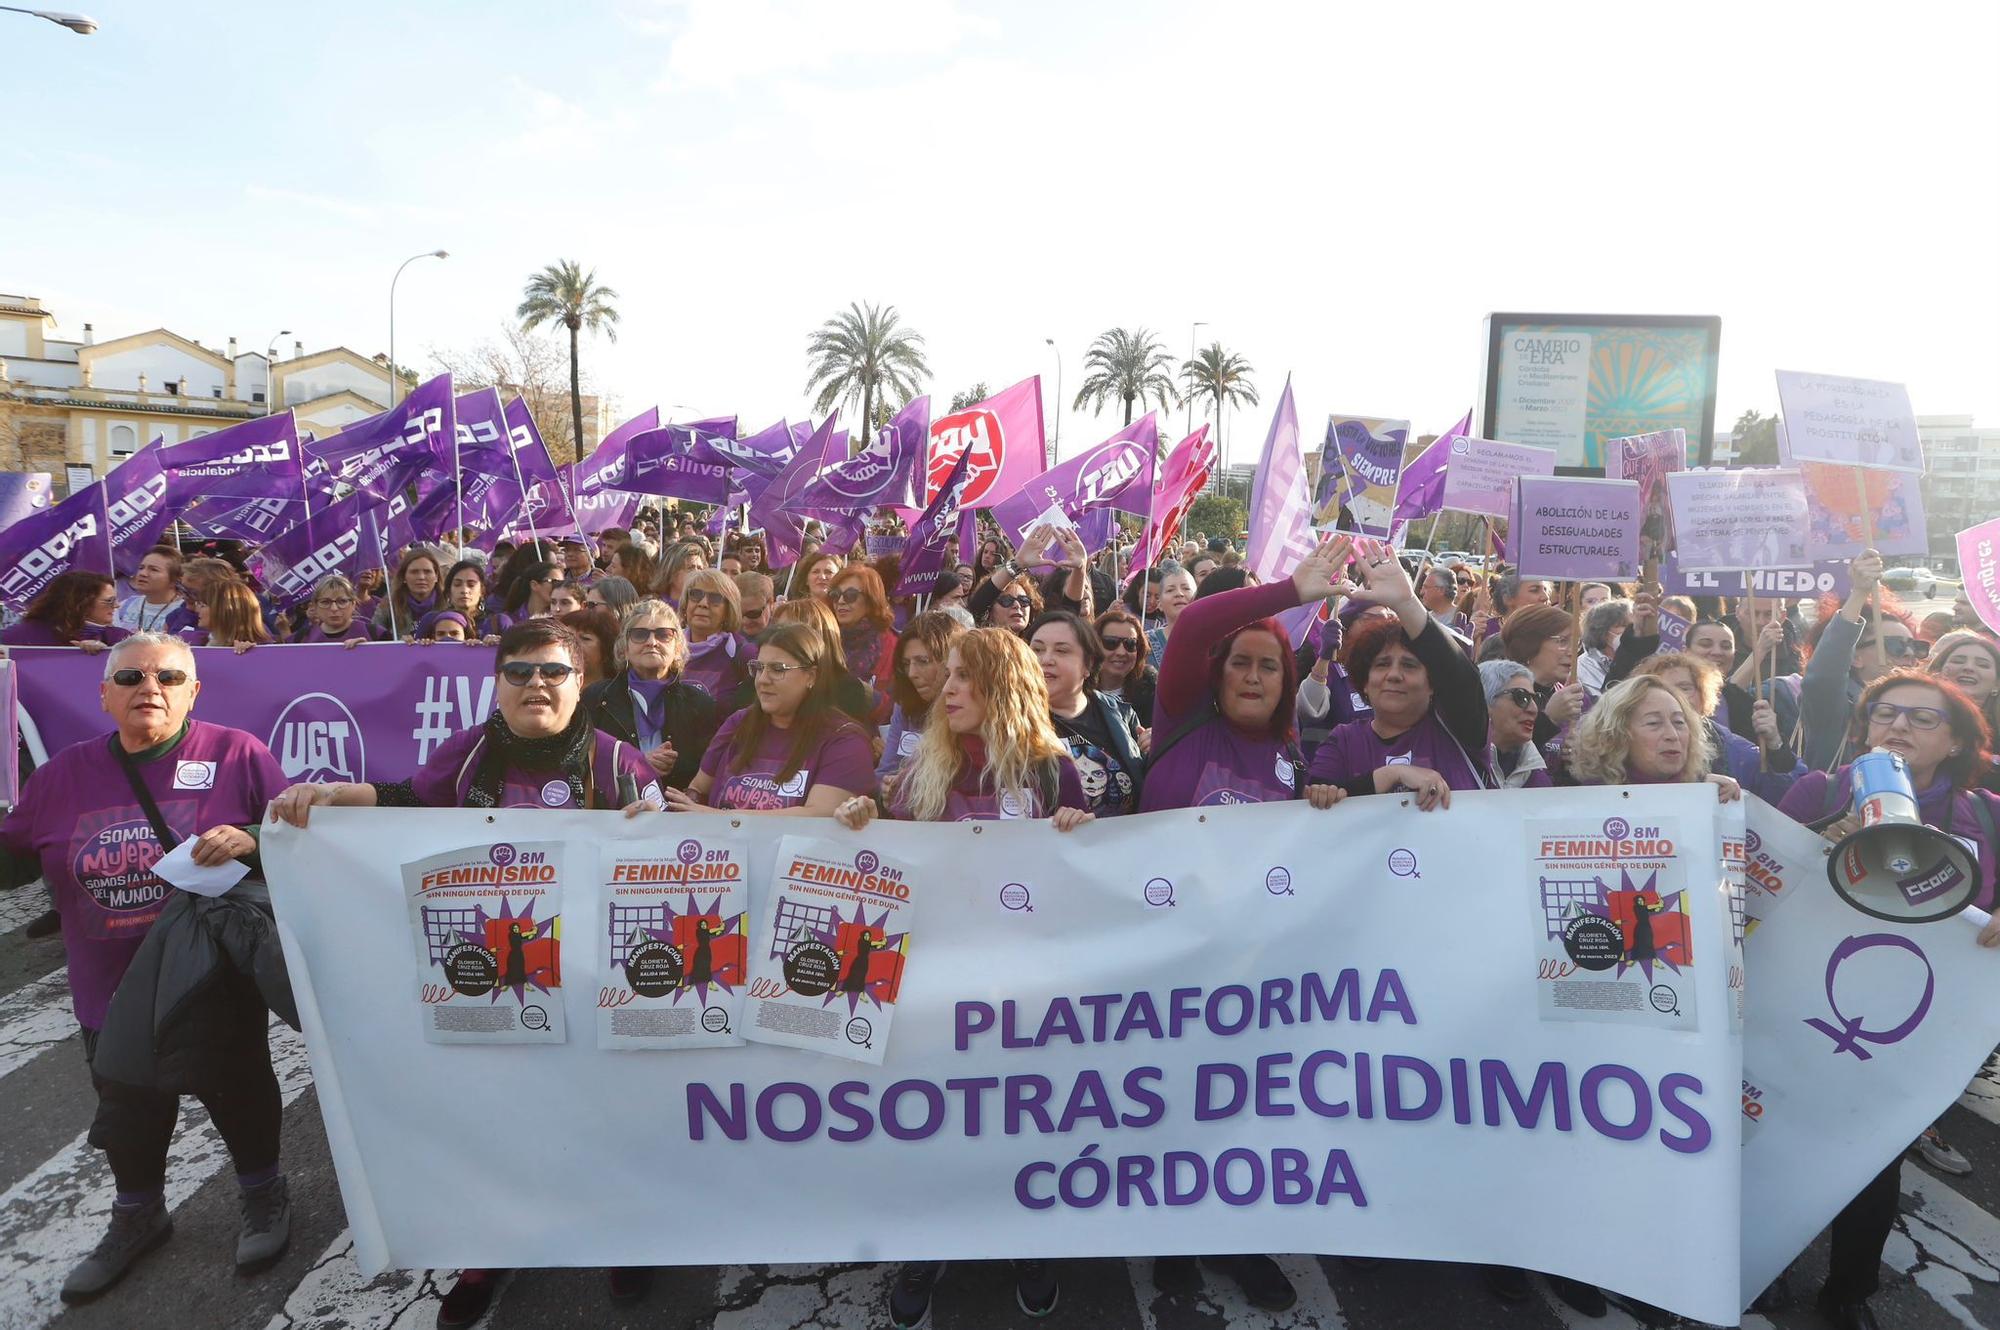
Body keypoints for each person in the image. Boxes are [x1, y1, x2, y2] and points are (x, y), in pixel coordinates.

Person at [269, 618, 662, 1327]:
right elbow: (404, 801)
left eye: (553, 671)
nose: (536, 683)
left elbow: (666, 865)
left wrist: (652, 832)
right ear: (498, 683)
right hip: (489, 978)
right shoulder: (472, 752)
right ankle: (488, 1250)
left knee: (601, 1116)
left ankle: (618, 1237)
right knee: (491, 1120)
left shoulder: (617, 763)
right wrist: (329, 799)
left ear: (581, 683)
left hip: (591, 982)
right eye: (519, 671)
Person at [1, 633, 291, 1300]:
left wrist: (252, 839)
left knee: (239, 1089)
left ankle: (263, 1192)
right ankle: (139, 1214)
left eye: (168, 677)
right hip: (110, 988)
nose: (149, 688)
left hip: (212, 980)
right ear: (105, 695)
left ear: (193, 692)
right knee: (129, 1109)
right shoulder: (61, 775)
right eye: (130, 677)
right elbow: (11, 860)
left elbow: (298, 839)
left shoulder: (236, 754)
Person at [826, 627, 1088, 1330]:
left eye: (964, 676)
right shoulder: (924, 769)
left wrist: (1081, 831)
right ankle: (928, 1244)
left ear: (1003, 686)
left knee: (1021, 1123)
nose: (947, 690)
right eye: (947, 676)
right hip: (935, 990)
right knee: (936, 1124)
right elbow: (891, 868)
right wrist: (863, 820)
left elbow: (1086, 887)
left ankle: (1025, 1241)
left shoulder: (1052, 772)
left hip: (1024, 993)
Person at [1774, 670, 2000, 1329]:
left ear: (1956, 742)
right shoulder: (1820, 791)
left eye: (1922, 718)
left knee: (1873, 1160)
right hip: (1807, 1002)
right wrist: (1816, 847)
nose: (1898, 725)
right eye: (1884, 713)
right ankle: (1769, 1257)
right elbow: (1758, 879)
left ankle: (1848, 1291)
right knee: (1776, 1139)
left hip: (1912, 1022)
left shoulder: (1987, 814)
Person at [1139, 533, 1351, 815]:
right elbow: (1192, 623)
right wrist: (1290, 591)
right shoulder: (1184, 711)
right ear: (1220, 670)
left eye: (1269, 666)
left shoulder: (1289, 750)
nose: (1253, 677)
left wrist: (1320, 799)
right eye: (1240, 663)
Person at [1308, 542, 1491, 800]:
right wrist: (1389, 776)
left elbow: (1462, 681)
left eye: (1409, 665)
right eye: (1382, 664)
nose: (1394, 675)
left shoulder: (1457, 730)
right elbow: (1313, 803)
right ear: (1364, 682)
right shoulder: (1344, 741)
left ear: (1432, 683)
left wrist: (1407, 604)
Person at [666, 622, 875, 815]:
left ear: (811, 676)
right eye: (759, 668)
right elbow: (698, 788)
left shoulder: (844, 740)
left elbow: (817, 816)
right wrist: (685, 804)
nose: (762, 680)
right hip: (720, 844)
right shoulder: (739, 722)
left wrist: (719, 818)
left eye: (777, 669)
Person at [1769, 552, 1922, 771]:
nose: (1909, 653)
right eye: (1895, 645)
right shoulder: (1835, 706)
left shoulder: (1927, 706)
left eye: (1916, 646)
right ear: (1855, 657)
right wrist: (1859, 592)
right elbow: (1823, 674)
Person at [579, 599, 718, 791]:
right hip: (614, 806)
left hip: (676, 806)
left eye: (663, 635)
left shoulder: (700, 704)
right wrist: (638, 763)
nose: (652, 642)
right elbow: (582, 763)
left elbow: (709, 771)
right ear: (625, 649)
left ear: (677, 648)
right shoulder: (596, 698)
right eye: (639, 635)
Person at [1630, 653, 1803, 803]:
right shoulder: (1627, 745)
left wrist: (1775, 745)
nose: (1676, 697)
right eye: (1665, 689)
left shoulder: (1735, 751)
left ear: (1703, 695)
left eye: (1684, 688)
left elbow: (1789, 799)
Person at [1030, 610, 1146, 816]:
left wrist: (1153, 752)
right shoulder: (1013, 722)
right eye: (1037, 649)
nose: (1046, 659)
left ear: (1089, 664)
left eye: (1061, 651)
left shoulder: (1121, 714)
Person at [1560, 675, 1742, 802]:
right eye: (1654, 723)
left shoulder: (1709, 794)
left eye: (1679, 722)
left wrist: (1711, 798)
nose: (1672, 735)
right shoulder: (1583, 806)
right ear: (1616, 735)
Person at [876, 610, 966, 792]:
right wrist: (887, 788)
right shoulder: (905, 705)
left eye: (923, 661)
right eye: (906, 664)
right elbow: (885, 772)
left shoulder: (970, 709)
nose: (912, 673)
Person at [1501, 604, 1586, 756]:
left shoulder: (1570, 695)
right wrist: (1549, 719)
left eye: (1576, 643)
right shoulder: (1504, 695)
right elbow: (1504, 753)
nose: (1572, 652)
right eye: (1563, 641)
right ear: (1528, 645)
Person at [1929, 630, 2000, 793]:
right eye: (1958, 661)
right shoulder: (1909, 721)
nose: (1968, 668)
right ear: (1938, 672)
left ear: (1996, 684)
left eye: (1982, 665)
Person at [826, 563, 898, 723]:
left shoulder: (892, 644)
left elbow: (894, 707)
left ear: (871, 599)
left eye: (850, 595)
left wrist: (864, 696)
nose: (841, 601)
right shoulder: (825, 637)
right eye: (835, 595)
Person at [679, 568, 753, 707]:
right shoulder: (668, 646)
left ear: (728, 610)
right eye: (695, 594)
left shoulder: (743, 653)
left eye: (715, 598)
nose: (703, 603)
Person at [3, 571, 130, 651]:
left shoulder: (121, 638)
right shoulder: (21, 635)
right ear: (81, 603)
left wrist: (107, 654)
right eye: (109, 601)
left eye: (116, 600)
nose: (117, 605)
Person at [1479, 659, 1551, 788]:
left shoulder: (1537, 774)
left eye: (1535, 699)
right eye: (1521, 697)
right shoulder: (1459, 767)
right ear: (1485, 703)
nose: (1533, 709)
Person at [1092, 604, 1156, 723]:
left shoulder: (1152, 690)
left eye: (1130, 644)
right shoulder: (1076, 689)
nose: (1121, 652)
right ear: (1094, 646)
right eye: (1111, 642)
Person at [115, 547, 195, 634]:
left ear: (175, 579)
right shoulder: (125, 605)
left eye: (154, 570)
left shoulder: (185, 611)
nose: (143, 574)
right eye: (141, 568)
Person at [371, 547, 443, 641]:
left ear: (436, 576)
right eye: (414, 572)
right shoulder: (389, 605)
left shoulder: (448, 604)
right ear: (404, 577)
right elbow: (373, 636)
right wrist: (398, 643)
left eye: (427, 571)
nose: (421, 577)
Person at [185, 579, 272, 653]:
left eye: (203, 605)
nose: (197, 610)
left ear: (224, 611)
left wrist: (252, 656)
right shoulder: (199, 640)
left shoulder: (258, 648)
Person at [292, 575, 374, 645]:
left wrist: (369, 650)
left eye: (342, 601)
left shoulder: (374, 633)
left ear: (353, 604)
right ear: (315, 606)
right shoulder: (300, 638)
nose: (334, 608)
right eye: (325, 602)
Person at [1576, 598, 1631, 696]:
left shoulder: (1641, 659)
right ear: (1602, 631)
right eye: (1624, 625)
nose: (1632, 630)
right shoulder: (1583, 666)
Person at [440, 559, 505, 641]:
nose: (464, 590)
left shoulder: (497, 622)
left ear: (482, 591)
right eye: (457, 584)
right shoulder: (433, 620)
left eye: (471, 585)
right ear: (449, 591)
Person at [1146, 567, 1197, 669]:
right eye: (1170, 590)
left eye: (1186, 588)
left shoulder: (1212, 639)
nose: (1179, 594)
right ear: (1159, 604)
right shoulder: (1146, 643)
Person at [559, 607, 620, 688]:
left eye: (585, 638)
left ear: (607, 649)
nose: (573, 643)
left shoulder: (619, 691)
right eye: (567, 636)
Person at [732, 570, 773, 637]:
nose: (745, 621)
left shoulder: (786, 639)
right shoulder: (723, 638)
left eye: (753, 614)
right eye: (738, 614)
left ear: (771, 603)